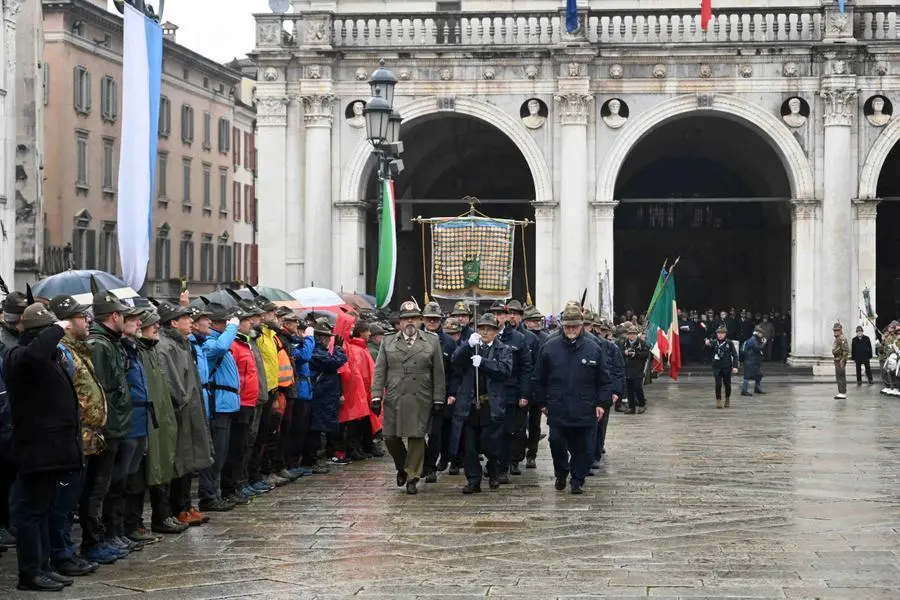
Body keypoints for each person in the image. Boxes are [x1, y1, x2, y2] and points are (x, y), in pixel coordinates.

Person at [5, 302, 83, 591]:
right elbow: (34, 354)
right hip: (36, 449)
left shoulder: (48, 358)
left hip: (53, 451)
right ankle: (29, 572)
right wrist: (55, 328)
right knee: (29, 512)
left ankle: (43, 567)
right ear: (41, 332)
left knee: (42, 509)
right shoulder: (19, 357)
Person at [47, 294, 104, 576]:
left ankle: (67, 551)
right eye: (82, 317)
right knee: (63, 503)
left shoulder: (79, 348)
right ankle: (61, 554)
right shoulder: (61, 351)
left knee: (72, 501)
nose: (88, 321)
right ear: (67, 323)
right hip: (73, 439)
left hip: (86, 439)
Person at [371, 301, 446, 495]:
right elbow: (379, 371)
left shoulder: (432, 341)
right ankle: (402, 466)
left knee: (416, 436)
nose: (409, 322)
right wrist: (376, 396)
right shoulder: (388, 341)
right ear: (399, 323)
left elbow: (438, 371)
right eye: (405, 319)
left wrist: (439, 397)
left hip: (420, 395)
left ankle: (412, 476)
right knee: (389, 437)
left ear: (421, 320)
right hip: (395, 395)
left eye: (413, 318)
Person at [81, 290, 134, 563]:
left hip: (117, 427)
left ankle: (105, 536)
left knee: (110, 484)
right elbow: (99, 392)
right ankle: (93, 541)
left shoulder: (111, 342)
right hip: (107, 429)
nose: (126, 319)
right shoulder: (100, 345)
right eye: (123, 314)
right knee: (98, 487)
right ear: (114, 316)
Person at [534, 304, 610, 495]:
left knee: (583, 447)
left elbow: (604, 380)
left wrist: (602, 403)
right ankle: (561, 472)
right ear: (562, 326)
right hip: (558, 407)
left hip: (585, 407)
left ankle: (577, 479)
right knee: (556, 442)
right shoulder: (549, 347)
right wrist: (542, 403)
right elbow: (539, 378)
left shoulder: (594, 348)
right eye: (567, 327)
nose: (571, 330)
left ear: (581, 325)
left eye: (575, 327)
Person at [155, 300, 214, 527]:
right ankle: (177, 508)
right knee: (179, 462)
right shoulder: (166, 345)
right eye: (186, 317)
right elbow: (172, 381)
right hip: (179, 411)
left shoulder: (182, 343)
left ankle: (185, 506)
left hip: (190, 410)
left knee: (188, 460)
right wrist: (180, 402)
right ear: (173, 322)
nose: (191, 321)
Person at [133, 309, 185, 535]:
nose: (156, 328)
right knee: (148, 470)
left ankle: (162, 515)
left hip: (162, 417)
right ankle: (143, 521)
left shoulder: (151, 349)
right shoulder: (141, 351)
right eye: (151, 324)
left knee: (163, 465)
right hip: (149, 419)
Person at [449, 313, 512, 493]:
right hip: (469, 402)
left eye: (489, 329)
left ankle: (493, 472)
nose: (485, 332)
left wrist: (484, 362)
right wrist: (467, 347)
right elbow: (455, 361)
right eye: (482, 328)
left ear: (496, 331)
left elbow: (505, 370)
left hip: (490, 404)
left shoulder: (503, 349)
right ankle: (473, 480)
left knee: (491, 444)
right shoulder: (471, 346)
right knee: (469, 445)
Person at [193, 303, 241, 512]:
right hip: (218, 404)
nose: (210, 323)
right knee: (215, 454)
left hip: (226, 403)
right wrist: (233, 328)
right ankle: (209, 495)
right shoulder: (211, 343)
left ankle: (215, 493)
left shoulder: (215, 341)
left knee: (221, 453)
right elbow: (221, 347)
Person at [221, 306, 263, 503]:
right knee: (236, 447)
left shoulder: (245, 344)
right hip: (240, 402)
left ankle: (238, 484)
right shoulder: (234, 346)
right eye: (246, 320)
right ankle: (230, 487)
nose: (250, 323)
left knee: (244, 445)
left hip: (250, 401)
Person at [488, 300, 532, 481]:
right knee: (490, 431)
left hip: (510, 391)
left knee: (507, 432)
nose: (498, 318)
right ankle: (492, 464)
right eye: (495, 314)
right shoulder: (483, 335)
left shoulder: (518, 338)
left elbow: (525, 368)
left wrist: (524, 394)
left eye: (501, 314)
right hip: (489, 392)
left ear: (507, 316)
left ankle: (503, 467)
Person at [307, 318, 348, 472]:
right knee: (316, 429)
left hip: (326, 396)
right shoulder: (316, 352)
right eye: (325, 337)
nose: (327, 340)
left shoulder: (320, 351)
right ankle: (312, 459)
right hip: (320, 396)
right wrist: (338, 349)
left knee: (321, 427)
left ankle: (315, 458)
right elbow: (335, 362)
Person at [617, 323, 649, 414]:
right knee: (629, 388)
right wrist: (625, 352)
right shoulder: (624, 343)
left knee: (637, 387)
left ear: (636, 334)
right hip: (627, 369)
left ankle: (642, 404)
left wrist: (636, 354)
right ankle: (631, 407)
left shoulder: (642, 343)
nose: (632, 335)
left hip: (638, 369)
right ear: (628, 334)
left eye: (634, 334)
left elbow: (646, 354)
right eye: (630, 333)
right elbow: (619, 353)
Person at [710, 325, 739, 408]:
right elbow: (707, 351)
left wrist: (735, 366)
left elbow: (735, 355)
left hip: (726, 366)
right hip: (717, 366)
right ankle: (718, 400)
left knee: (727, 385)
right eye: (718, 333)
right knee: (718, 384)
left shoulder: (729, 343)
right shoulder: (714, 342)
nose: (720, 335)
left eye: (722, 333)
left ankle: (727, 398)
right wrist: (707, 344)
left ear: (725, 334)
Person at [740, 329, 766, 396]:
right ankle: (744, 390)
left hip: (754, 361)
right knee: (747, 376)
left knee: (758, 374)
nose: (762, 335)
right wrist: (764, 343)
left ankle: (757, 388)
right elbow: (758, 348)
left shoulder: (755, 339)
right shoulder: (753, 340)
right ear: (757, 333)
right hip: (751, 361)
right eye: (761, 333)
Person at [832, 322, 850, 400]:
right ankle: (841, 392)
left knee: (841, 376)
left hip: (840, 360)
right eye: (834, 330)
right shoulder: (837, 339)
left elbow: (846, 351)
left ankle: (842, 392)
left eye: (837, 330)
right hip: (837, 359)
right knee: (838, 376)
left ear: (840, 330)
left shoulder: (842, 339)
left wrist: (843, 360)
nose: (836, 332)